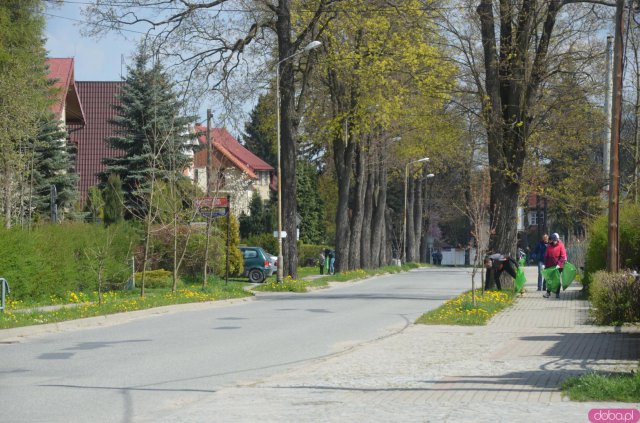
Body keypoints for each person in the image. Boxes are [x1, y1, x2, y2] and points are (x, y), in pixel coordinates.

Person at [543, 232, 567, 299]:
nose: (553, 242)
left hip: (558, 266)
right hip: (550, 266)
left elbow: (563, 256)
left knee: (557, 280)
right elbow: (546, 256)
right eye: (552, 241)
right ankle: (548, 293)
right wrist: (545, 265)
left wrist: (559, 264)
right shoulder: (549, 247)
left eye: (554, 241)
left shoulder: (561, 246)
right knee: (549, 280)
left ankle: (557, 293)